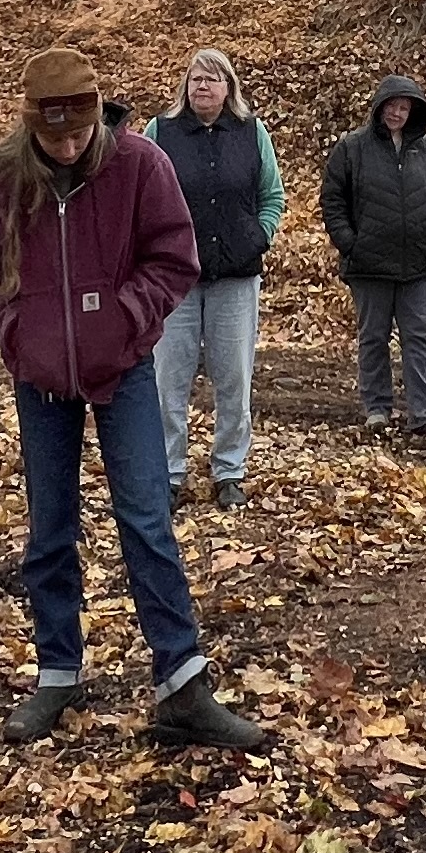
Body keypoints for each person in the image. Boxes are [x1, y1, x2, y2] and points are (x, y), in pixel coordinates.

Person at [0, 48, 272, 753]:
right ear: (31, 124)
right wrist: (20, 334)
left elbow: (173, 258)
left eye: (80, 133)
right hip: (39, 376)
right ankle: (57, 670)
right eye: (56, 137)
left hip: (125, 367)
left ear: (99, 114)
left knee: (146, 516)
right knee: (49, 526)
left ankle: (181, 682)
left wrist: (126, 321)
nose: (70, 146)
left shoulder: (139, 164)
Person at [146, 47, 287, 509]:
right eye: (195, 79)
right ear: (184, 87)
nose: (202, 86)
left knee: (234, 380)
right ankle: (167, 472)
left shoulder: (251, 133)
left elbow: (273, 194)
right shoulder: (161, 133)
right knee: (169, 381)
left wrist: (258, 235)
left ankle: (229, 470)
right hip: (176, 281)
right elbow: (140, 198)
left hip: (236, 277)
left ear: (229, 88)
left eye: (212, 79)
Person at [324, 74, 426, 438]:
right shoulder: (352, 147)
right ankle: (377, 408)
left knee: (419, 337)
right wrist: (349, 242)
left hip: (419, 261)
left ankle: (425, 413)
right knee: (373, 337)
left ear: (414, 112)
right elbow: (332, 199)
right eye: (392, 105)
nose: (397, 113)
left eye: (404, 107)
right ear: (379, 107)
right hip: (369, 263)